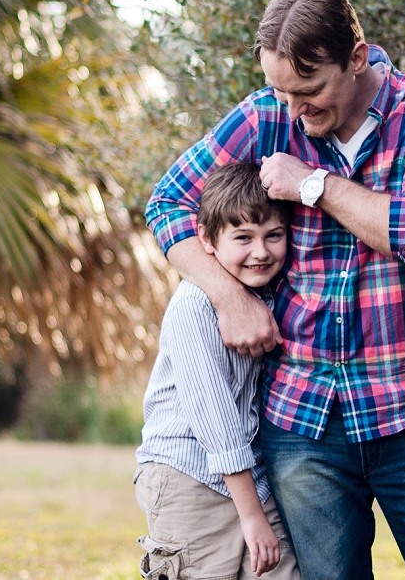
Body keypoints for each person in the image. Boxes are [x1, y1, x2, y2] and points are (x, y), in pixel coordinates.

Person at [145, 0, 405, 578]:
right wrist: (230, 298)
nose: (293, 110)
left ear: (357, 59)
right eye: (281, 91)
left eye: (308, 91)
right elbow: (167, 204)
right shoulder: (264, 118)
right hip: (302, 423)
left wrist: (314, 185)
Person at [135, 163, 301, 580]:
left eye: (273, 236)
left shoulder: (265, 294)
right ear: (207, 240)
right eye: (243, 237)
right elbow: (215, 417)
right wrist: (251, 515)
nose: (260, 251)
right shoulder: (195, 304)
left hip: (248, 475)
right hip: (188, 477)